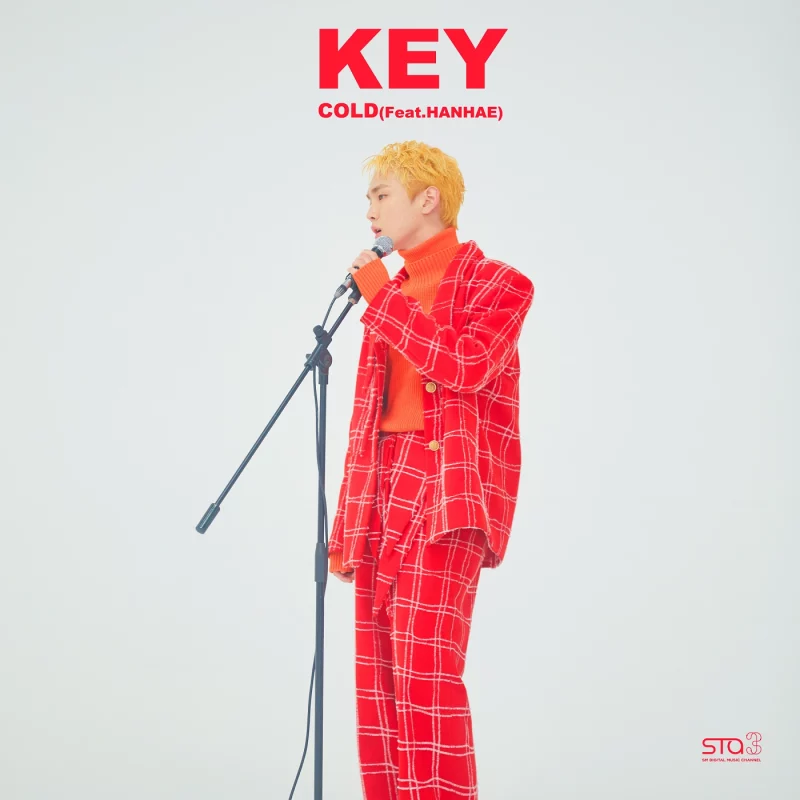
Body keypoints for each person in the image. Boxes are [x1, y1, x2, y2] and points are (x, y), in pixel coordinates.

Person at [327, 140, 534, 799]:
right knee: (379, 683)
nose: (369, 210)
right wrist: (348, 522)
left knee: (426, 675)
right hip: (382, 484)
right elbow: (367, 418)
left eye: (380, 194)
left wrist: (382, 302)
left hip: (448, 488)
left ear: (427, 199)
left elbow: (464, 365)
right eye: (367, 198)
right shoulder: (387, 295)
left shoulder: (501, 284)